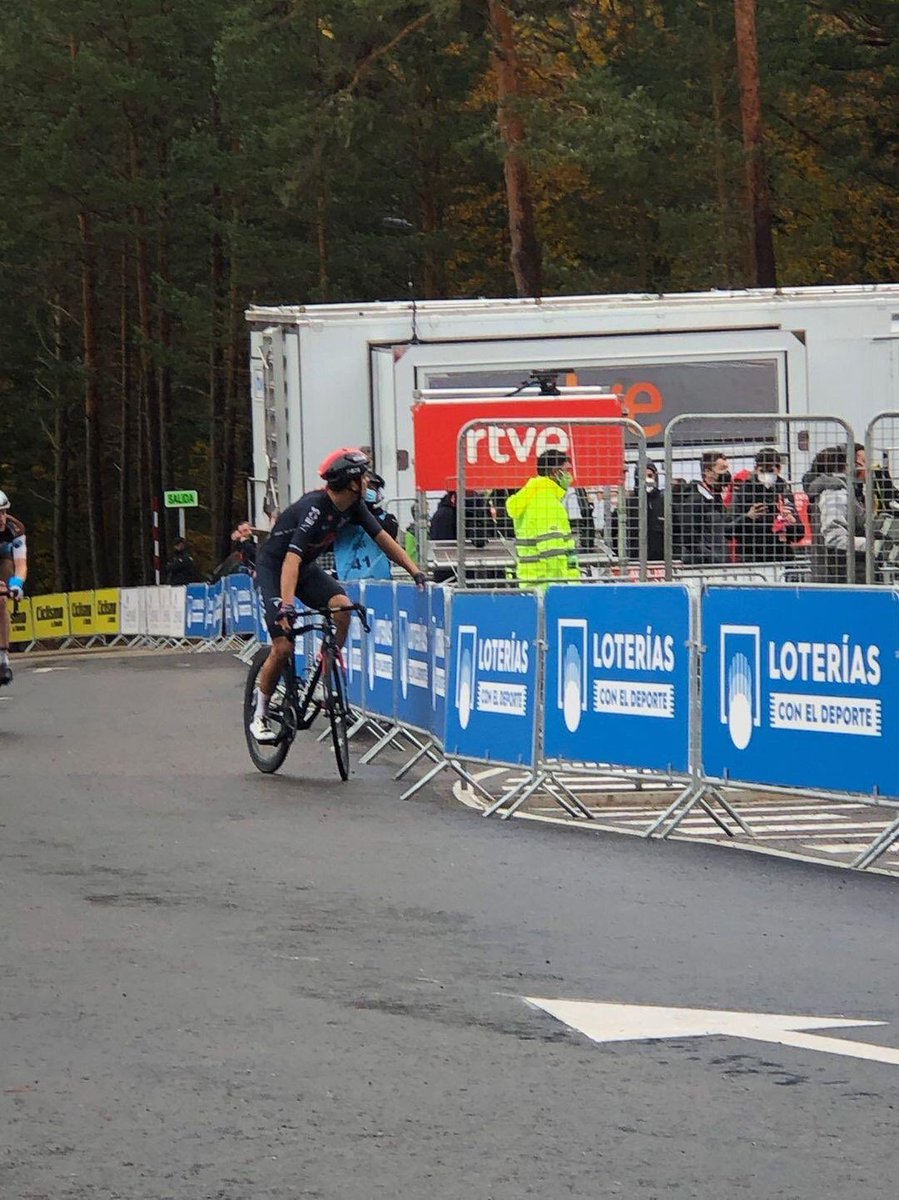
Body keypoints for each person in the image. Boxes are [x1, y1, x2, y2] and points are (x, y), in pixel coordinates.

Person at [249, 447, 425, 742]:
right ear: (352, 483)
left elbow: (384, 540)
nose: (369, 481)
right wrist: (288, 605)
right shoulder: (314, 508)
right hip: (275, 567)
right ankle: (261, 714)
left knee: (343, 608)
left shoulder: (354, 508)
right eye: (365, 476)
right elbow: (290, 560)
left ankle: (323, 676)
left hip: (304, 568)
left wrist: (414, 571)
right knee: (283, 647)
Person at [505, 449, 579, 588]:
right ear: (555, 472)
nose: (570, 475)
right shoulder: (545, 501)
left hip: (532, 581)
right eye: (567, 470)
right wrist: (571, 583)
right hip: (548, 586)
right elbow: (553, 552)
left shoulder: (534, 496)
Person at [729, 447, 803, 563]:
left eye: (770, 471)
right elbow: (728, 530)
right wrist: (748, 517)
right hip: (751, 558)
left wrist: (790, 523)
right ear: (755, 469)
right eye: (762, 471)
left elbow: (799, 534)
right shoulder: (743, 492)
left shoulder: (784, 492)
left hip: (782, 557)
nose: (766, 475)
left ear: (778, 469)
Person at [806, 445, 866, 582]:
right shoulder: (834, 493)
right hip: (841, 576)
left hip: (838, 574)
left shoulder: (837, 491)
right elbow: (834, 538)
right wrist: (874, 545)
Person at [333, 473, 399, 580]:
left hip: (380, 580)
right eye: (365, 487)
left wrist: (369, 510)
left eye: (372, 488)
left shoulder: (387, 518)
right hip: (346, 578)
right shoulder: (342, 517)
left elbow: (389, 531)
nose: (367, 490)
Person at [676, 452, 733, 565]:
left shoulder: (716, 498)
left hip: (719, 563)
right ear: (708, 472)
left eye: (727, 469)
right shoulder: (694, 499)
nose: (726, 473)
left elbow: (723, 529)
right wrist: (711, 557)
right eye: (722, 469)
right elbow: (689, 538)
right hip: (701, 565)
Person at [0, 490, 27, 685]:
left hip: (4, 560)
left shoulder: (15, 529)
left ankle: (2, 660)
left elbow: (21, 564)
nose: (1, 518)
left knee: (1, 600)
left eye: (3, 512)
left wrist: (16, 585)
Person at [626, 462, 665, 561]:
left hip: (660, 559)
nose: (648, 479)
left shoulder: (663, 501)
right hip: (635, 559)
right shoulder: (629, 503)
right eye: (643, 476)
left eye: (650, 475)